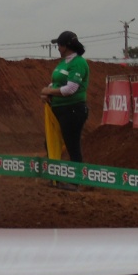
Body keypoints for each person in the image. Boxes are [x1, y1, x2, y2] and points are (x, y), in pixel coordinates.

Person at [40, 31, 90, 185]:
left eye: (59, 45)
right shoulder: (63, 63)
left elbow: (71, 89)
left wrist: (49, 91)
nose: (58, 48)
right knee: (49, 143)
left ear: (66, 46)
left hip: (73, 110)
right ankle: (55, 177)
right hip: (59, 110)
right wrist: (48, 92)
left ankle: (76, 182)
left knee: (71, 144)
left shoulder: (79, 63)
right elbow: (57, 83)